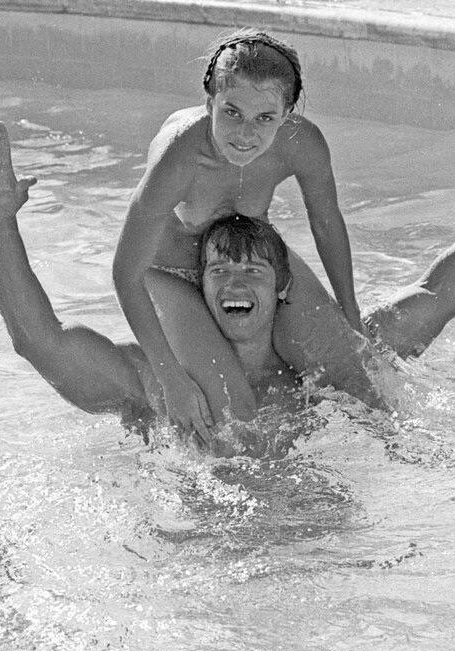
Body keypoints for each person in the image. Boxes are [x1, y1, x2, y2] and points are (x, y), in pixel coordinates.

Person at [0, 105, 455, 445]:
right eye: (217, 270)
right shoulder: (159, 386)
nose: (234, 283)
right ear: (196, 288)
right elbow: (40, 342)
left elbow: (443, 293)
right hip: (211, 590)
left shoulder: (334, 366)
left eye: (253, 270)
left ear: (285, 287)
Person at [111, 29, 375, 439]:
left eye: (265, 118)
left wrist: (350, 312)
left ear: (287, 114)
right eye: (232, 112)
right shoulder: (179, 157)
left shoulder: (301, 144)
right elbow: (125, 273)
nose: (246, 133)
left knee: (357, 382)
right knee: (236, 418)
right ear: (209, 102)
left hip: (250, 258)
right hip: (170, 274)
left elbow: (325, 223)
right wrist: (171, 378)